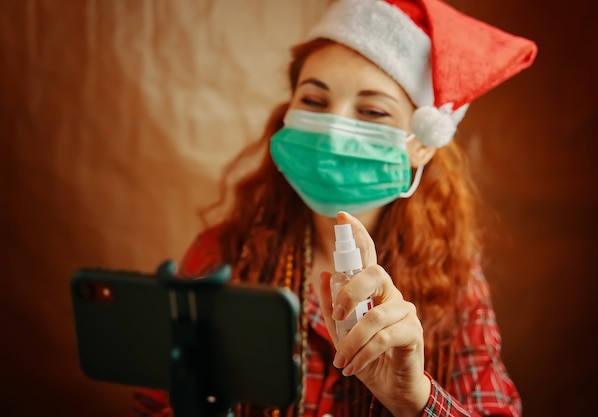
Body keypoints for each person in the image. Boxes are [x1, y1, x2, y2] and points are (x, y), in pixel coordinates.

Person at [131, 0, 537, 416]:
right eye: (314, 100)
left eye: (373, 111)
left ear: (421, 144)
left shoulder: (452, 278)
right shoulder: (225, 255)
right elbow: (154, 402)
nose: (333, 131)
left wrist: (414, 398)